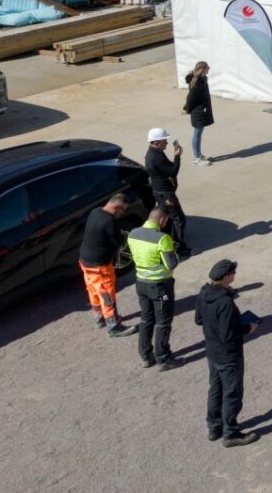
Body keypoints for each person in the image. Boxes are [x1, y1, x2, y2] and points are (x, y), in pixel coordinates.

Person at [195, 259, 259, 447]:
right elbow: (229, 334)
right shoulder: (226, 302)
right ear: (225, 278)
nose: (234, 275)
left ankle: (214, 427)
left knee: (215, 389)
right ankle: (231, 434)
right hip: (228, 355)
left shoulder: (204, 292)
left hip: (212, 351)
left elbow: (199, 319)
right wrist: (248, 328)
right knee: (232, 393)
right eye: (233, 273)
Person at [126, 207, 178, 370]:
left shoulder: (133, 233)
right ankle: (163, 358)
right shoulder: (163, 238)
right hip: (160, 285)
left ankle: (146, 356)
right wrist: (173, 250)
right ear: (162, 219)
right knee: (163, 322)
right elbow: (171, 263)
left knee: (146, 319)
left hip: (141, 283)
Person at [78, 192, 135, 337]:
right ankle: (113, 325)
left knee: (93, 290)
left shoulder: (95, 211)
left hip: (85, 261)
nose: (122, 213)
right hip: (100, 266)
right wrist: (123, 236)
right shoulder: (110, 221)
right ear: (115, 207)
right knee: (107, 294)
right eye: (122, 210)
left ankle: (99, 318)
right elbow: (119, 242)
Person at [144, 127, 191, 258]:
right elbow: (172, 171)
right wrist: (177, 157)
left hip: (160, 192)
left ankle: (169, 241)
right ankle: (179, 248)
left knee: (166, 219)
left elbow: (167, 167)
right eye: (164, 141)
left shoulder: (153, 153)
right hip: (166, 194)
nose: (166, 143)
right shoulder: (157, 157)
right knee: (179, 219)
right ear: (156, 142)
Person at [182, 62, 215, 165]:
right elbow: (191, 97)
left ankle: (199, 155)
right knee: (197, 134)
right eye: (207, 67)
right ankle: (196, 159)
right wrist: (186, 108)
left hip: (202, 110)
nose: (209, 69)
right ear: (202, 69)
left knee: (199, 134)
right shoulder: (197, 82)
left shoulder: (202, 79)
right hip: (198, 112)